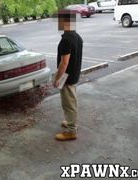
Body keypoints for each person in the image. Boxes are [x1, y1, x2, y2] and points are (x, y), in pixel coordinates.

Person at [53, 10, 83, 141]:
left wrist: (57, 78)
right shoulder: (77, 36)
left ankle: (71, 131)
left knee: (69, 103)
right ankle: (70, 122)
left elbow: (64, 63)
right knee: (71, 101)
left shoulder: (66, 40)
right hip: (74, 75)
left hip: (67, 77)